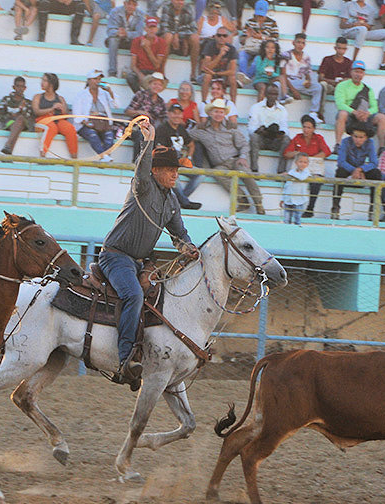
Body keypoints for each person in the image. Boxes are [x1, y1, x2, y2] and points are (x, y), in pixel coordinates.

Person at [99, 120, 199, 388]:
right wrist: (148, 140)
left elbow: (179, 234)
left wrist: (188, 248)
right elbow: (140, 169)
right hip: (115, 256)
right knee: (133, 294)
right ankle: (125, 358)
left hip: (139, 262)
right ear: (155, 171)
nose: (175, 175)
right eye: (170, 170)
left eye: (176, 170)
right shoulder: (143, 186)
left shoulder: (172, 201)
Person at [189, 99, 265, 214]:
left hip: (236, 160)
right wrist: (197, 125)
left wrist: (243, 157)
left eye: (221, 112)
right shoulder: (202, 129)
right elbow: (187, 135)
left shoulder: (231, 127)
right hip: (220, 165)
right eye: (216, 111)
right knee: (217, 173)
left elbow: (243, 144)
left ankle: (259, 204)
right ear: (210, 113)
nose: (218, 114)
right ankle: (242, 200)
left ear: (225, 114)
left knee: (246, 174)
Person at [335, 124, 385, 221]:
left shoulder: (370, 143)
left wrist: (361, 169)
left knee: (376, 174)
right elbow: (341, 162)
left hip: (361, 169)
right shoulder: (345, 141)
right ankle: (335, 207)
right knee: (339, 172)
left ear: (366, 137)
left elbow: (374, 162)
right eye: (355, 136)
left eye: (361, 137)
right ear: (351, 135)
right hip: (348, 168)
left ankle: (373, 208)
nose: (358, 140)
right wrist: (355, 170)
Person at [283, 114, 331, 218]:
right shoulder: (297, 138)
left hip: (314, 167)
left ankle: (310, 208)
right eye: (304, 127)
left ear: (313, 129)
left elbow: (326, 152)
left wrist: (309, 159)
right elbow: (287, 153)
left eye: (309, 127)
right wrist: (297, 154)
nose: (306, 130)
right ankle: (293, 206)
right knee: (293, 181)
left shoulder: (318, 138)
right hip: (301, 167)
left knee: (316, 183)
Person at [155, 102, 202, 209]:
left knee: (200, 175)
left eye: (179, 113)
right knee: (174, 176)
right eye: (174, 113)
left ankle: (179, 200)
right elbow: (159, 148)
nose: (177, 116)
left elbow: (191, 144)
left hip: (179, 162)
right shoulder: (162, 128)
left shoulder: (181, 128)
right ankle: (184, 202)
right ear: (168, 114)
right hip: (165, 163)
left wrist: (188, 158)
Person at [334, 60, 385, 150]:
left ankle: (381, 147)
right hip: (349, 114)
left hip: (364, 116)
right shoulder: (342, 86)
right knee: (342, 113)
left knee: (381, 117)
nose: (358, 74)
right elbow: (340, 104)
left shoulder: (368, 89)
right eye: (356, 71)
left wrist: (367, 113)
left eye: (361, 72)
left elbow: (375, 107)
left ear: (363, 74)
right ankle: (338, 145)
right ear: (351, 72)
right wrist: (355, 112)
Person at [338, 0, 385, 70]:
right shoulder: (349, 5)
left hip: (363, 31)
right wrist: (354, 24)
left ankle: (384, 63)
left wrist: (364, 24)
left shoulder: (370, 9)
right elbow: (342, 25)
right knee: (362, 29)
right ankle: (353, 60)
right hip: (349, 31)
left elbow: (369, 27)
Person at [73, 69, 117, 161]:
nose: (97, 81)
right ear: (89, 80)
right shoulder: (81, 95)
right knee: (92, 135)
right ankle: (104, 157)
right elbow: (76, 114)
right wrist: (85, 122)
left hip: (103, 123)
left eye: (99, 79)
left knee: (109, 137)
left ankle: (103, 158)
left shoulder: (104, 93)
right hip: (87, 123)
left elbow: (116, 105)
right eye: (95, 79)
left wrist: (110, 92)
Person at [32, 73, 78, 158]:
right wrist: (51, 109)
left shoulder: (60, 98)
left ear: (51, 84)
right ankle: (42, 155)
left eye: (45, 80)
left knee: (70, 129)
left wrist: (62, 110)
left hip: (57, 120)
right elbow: (36, 112)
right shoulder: (38, 97)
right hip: (42, 120)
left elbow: (66, 115)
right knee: (51, 128)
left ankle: (74, 158)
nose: (42, 83)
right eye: (42, 80)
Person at [248, 84, 290, 175]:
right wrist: (261, 131)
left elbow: (285, 128)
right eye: (270, 94)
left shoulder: (282, 110)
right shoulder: (256, 107)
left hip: (275, 140)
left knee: (286, 139)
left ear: (277, 95)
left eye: (275, 94)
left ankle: (281, 171)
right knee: (254, 137)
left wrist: (280, 133)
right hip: (261, 139)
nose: (272, 97)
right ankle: (254, 170)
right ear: (266, 94)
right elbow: (251, 129)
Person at [126, 72, 168, 161]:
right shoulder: (140, 95)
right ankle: (136, 162)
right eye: (154, 84)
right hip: (136, 127)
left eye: (159, 85)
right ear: (149, 84)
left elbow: (164, 119)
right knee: (141, 136)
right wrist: (141, 112)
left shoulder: (161, 102)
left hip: (152, 129)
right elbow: (128, 111)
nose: (157, 86)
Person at [281, 33, 323, 122]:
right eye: (298, 42)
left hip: (299, 82)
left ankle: (313, 113)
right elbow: (282, 74)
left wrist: (308, 81)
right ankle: (278, 111)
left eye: (303, 43)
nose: (300, 45)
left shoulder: (306, 57)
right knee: (277, 85)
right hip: (286, 82)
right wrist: (293, 90)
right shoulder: (285, 55)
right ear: (293, 43)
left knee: (318, 87)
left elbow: (307, 73)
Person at [237, 0, 279, 82]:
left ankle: (246, 78)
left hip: (262, 49)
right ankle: (243, 76)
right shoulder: (250, 21)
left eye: (261, 15)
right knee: (242, 56)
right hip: (249, 48)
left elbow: (275, 39)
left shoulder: (272, 23)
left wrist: (262, 37)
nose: (259, 17)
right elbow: (241, 41)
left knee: (257, 60)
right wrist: (247, 36)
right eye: (258, 15)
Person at [160, 0, 200, 82]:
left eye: (181, 0)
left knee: (195, 38)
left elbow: (193, 28)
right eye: (177, 0)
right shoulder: (166, 7)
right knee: (168, 36)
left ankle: (193, 74)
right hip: (168, 37)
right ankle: (161, 71)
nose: (180, 2)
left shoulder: (188, 7)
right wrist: (174, 34)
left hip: (182, 37)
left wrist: (179, 35)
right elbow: (164, 27)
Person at [126, 16, 169, 93]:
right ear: (145, 29)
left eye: (154, 28)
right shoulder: (136, 41)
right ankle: (140, 95)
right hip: (141, 70)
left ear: (157, 29)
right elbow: (133, 65)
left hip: (154, 72)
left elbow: (157, 65)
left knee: (156, 82)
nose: (152, 30)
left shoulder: (161, 42)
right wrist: (140, 75)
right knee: (130, 77)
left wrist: (147, 49)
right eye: (149, 28)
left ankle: (146, 96)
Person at [0, 76, 35, 155]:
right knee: (17, 123)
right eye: (18, 86)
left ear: (25, 88)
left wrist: (21, 111)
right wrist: (13, 116)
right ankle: (8, 151)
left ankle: (8, 145)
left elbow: (30, 118)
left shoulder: (27, 103)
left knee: (20, 119)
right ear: (14, 87)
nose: (20, 89)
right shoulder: (6, 99)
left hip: (24, 125)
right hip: (9, 124)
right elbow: (0, 116)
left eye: (22, 86)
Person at [106, 0, 146, 78]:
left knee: (141, 41)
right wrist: (118, 32)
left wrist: (127, 33)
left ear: (136, 5)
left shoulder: (140, 14)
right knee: (113, 40)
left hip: (130, 40)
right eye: (129, 4)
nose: (131, 6)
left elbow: (139, 33)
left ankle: (136, 72)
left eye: (134, 4)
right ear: (124, 3)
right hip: (117, 39)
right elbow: (110, 30)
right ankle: (112, 71)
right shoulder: (115, 11)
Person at [199, 25, 238, 102]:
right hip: (209, 73)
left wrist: (216, 73)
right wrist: (220, 55)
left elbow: (232, 71)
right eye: (219, 35)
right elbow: (206, 68)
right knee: (207, 76)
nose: (221, 37)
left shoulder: (232, 49)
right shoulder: (209, 46)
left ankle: (233, 104)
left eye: (224, 35)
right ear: (215, 36)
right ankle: (203, 102)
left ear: (227, 37)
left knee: (233, 79)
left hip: (222, 74)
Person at [318, 37, 352, 119]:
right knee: (323, 85)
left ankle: (346, 117)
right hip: (330, 87)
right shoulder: (327, 60)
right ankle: (320, 113)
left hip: (342, 88)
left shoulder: (348, 62)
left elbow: (351, 79)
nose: (341, 51)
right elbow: (320, 78)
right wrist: (333, 82)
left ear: (346, 49)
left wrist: (343, 81)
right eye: (339, 48)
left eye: (343, 49)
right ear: (335, 48)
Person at [281, 153, 311, 225]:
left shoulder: (306, 172)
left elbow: (301, 178)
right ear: (296, 162)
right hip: (288, 199)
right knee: (287, 219)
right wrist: (282, 198)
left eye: (305, 162)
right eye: (300, 162)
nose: (302, 164)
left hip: (299, 199)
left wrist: (290, 174)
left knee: (297, 218)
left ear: (308, 164)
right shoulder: (292, 171)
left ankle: (297, 229)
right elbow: (287, 186)